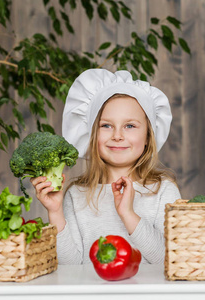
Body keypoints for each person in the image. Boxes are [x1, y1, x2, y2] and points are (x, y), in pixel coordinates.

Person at [31, 69, 181, 264]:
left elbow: (170, 259)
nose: (117, 135)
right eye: (106, 126)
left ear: (148, 137)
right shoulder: (76, 195)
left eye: (130, 126)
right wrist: (55, 212)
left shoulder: (163, 191)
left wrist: (128, 214)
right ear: (92, 135)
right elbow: (69, 266)